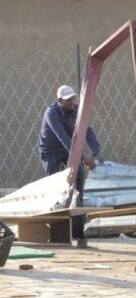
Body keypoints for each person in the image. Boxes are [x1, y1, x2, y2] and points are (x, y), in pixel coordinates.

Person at [38, 84, 101, 238]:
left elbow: (87, 129)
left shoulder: (76, 109)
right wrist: (82, 157)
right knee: (55, 184)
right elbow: (62, 137)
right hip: (51, 150)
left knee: (78, 177)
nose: (72, 103)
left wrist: (95, 152)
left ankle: (78, 227)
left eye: (73, 99)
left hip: (70, 148)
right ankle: (56, 226)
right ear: (59, 100)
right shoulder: (51, 113)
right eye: (68, 100)